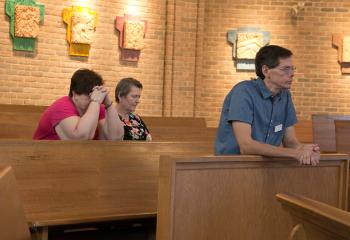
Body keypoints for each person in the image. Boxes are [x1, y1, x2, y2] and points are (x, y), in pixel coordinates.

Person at [215, 45, 320, 165]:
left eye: (292, 69)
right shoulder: (243, 92)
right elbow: (246, 146)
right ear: (266, 71)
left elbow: (290, 142)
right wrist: (295, 153)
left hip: (265, 167)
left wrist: (307, 150)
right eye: (285, 69)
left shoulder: (285, 96)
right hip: (233, 167)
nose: (292, 74)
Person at [33, 69, 124, 140]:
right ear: (74, 94)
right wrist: (95, 102)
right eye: (89, 95)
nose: (94, 98)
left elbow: (116, 137)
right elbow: (81, 138)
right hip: (42, 158)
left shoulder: (97, 106)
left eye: (96, 94)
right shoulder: (61, 106)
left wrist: (108, 105)